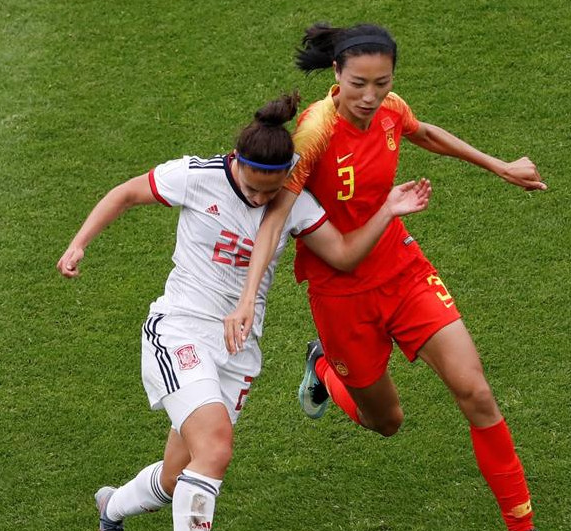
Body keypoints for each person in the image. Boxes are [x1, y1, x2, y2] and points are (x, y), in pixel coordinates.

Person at [56, 92, 432, 531]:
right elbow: (124, 194)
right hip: (181, 331)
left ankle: (111, 508)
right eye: (251, 187)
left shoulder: (294, 202)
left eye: (268, 192)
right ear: (235, 160)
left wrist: (388, 209)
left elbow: (344, 255)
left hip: (236, 352)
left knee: (181, 476)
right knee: (215, 450)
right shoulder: (196, 176)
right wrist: (79, 243)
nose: (257, 199)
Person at [222, 24, 546, 531]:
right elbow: (274, 219)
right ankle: (324, 368)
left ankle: (522, 526)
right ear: (336, 74)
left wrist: (498, 165)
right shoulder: (313, 133)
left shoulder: (390, 109)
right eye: (359, 85)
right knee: (386, 422)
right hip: (341, 294)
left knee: (476, 392)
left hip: (401, 270)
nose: (371, 97)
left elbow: (425, 132)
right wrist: (245, 301)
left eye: (382, 83)